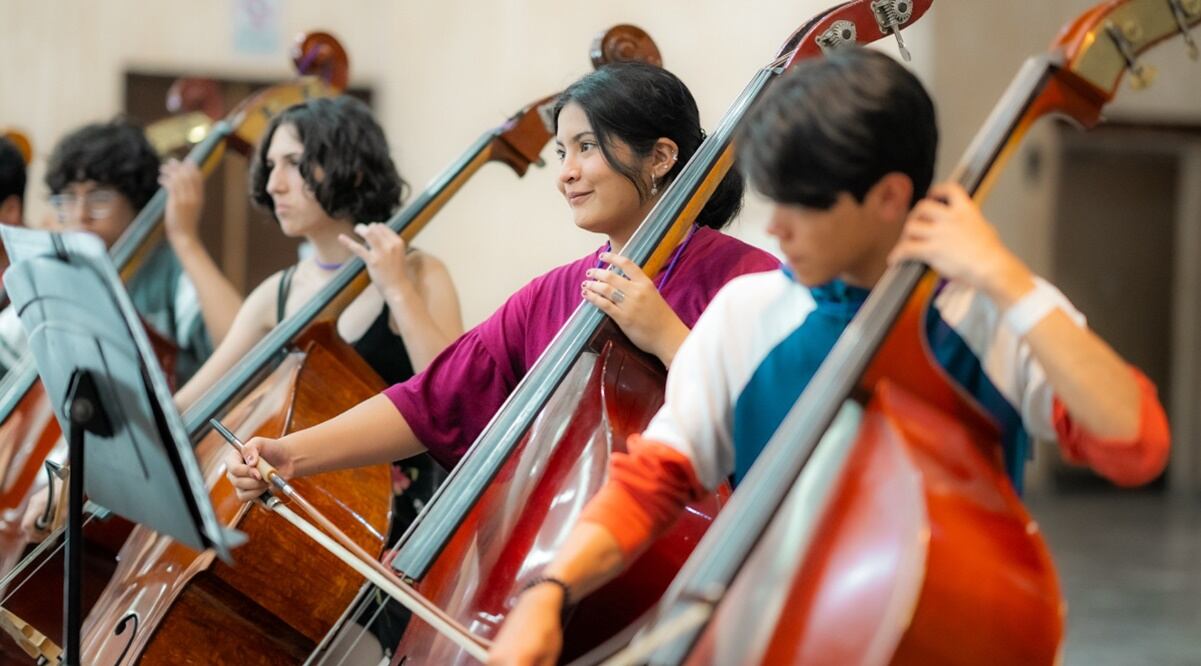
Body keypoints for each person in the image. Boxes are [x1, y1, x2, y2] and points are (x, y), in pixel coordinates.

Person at [485, 48, 1172, 665]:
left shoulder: (984, 312)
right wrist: (549, 589)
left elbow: (1133, 444)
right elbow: (653, 480)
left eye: (802, 206)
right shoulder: (747, 315)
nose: (776, 228)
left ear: (888, 198)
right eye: (772, 199)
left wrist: (1009, 283)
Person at [224, 63, 779, 532]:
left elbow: (784, 424)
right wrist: (292, 453)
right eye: (562, 151)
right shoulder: (553, 293)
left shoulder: (749, 279)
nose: (565, 174)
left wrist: (668, 337)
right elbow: (430, 400)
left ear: (660, 157)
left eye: (585, 147)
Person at [0, 119, 240, 381]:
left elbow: (243, 346)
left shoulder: (167, 270)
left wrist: (186, 239)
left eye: (99, 197)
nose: (81, 214)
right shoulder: (61, 273)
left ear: (137, 202)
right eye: (68, 198)